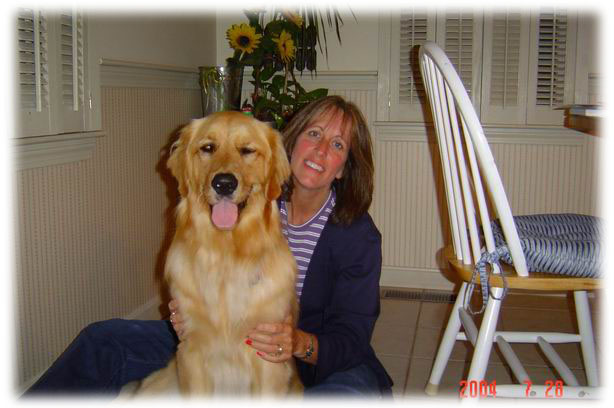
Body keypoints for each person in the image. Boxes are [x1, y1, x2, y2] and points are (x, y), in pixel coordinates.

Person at [25, 96, 393, 397]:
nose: (321, 150)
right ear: (292, 143)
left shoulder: (357, 236)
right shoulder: (247, 198)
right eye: (314, 134)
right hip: (220, 346)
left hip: (316, 363)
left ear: (344, 168)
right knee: (102, 341)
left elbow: (351, 338)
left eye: (338, 144)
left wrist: (297, 342)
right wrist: (188, 310)